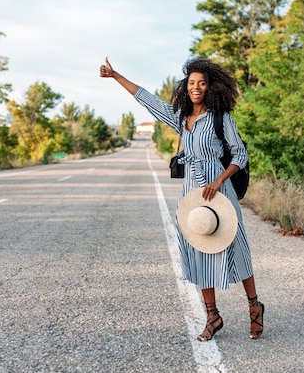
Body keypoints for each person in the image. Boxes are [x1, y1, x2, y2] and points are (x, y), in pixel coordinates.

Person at [99, 57, 264, 342]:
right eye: (191, 83)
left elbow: (240, 155)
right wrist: (116, 76)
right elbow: (146, 99)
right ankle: (212, 316)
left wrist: (219, 180)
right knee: (198, 252)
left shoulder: (220, 119)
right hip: (192, 198)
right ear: (185, 88)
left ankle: (254, 306)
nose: (196, 87)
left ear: (210, 87)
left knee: (237, 250)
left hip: (220, 195)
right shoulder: (179, 118)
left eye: (201, 83)